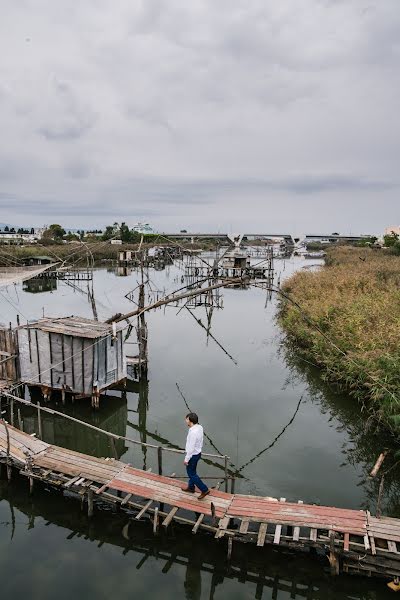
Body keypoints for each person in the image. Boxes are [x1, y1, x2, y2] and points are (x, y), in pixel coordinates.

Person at [183, 412, 210, 500]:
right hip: (198, 453)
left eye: (186, 419)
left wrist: (186, 459)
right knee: (192, 472)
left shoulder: (193, 432)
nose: (185, 420)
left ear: (190, 421)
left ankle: (204, 489)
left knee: (191, 473)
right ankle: (191, 487)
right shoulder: (199, 427)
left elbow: (191, 447)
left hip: (193, 455)